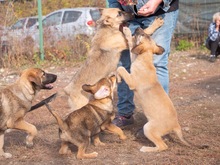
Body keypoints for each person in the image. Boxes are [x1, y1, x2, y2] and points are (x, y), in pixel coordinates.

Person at [108, 0, 179, 127]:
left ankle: (160, 120)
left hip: (159, 12)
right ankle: (125, 113)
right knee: (123, 64)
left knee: (157, 64)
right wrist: (117, 15)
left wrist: (157, 1)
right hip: (128, 16)